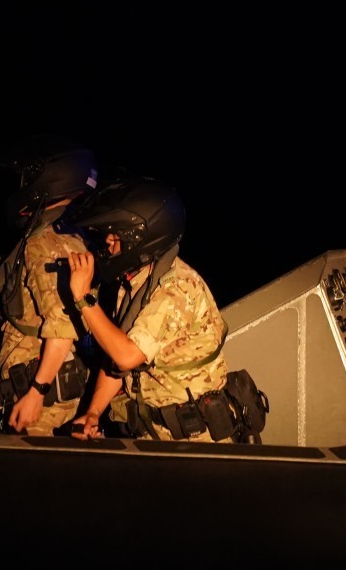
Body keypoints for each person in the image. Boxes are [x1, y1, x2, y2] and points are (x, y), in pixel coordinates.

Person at [58, 176, 247, 443]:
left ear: (141, 238)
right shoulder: (138, 282)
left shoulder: (175, 289)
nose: (108, 240)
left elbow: (126, 356)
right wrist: (93, 413)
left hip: (194, 442)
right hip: (155, 433)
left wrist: (83, 297)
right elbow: (116, 355)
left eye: (117, 233)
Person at [0, 135, 98, 436]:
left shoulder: (43, 242)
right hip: (50, 385)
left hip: (41, 394)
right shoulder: (64, 233)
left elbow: (62, 327)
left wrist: (37, 392)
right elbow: (41, 287)